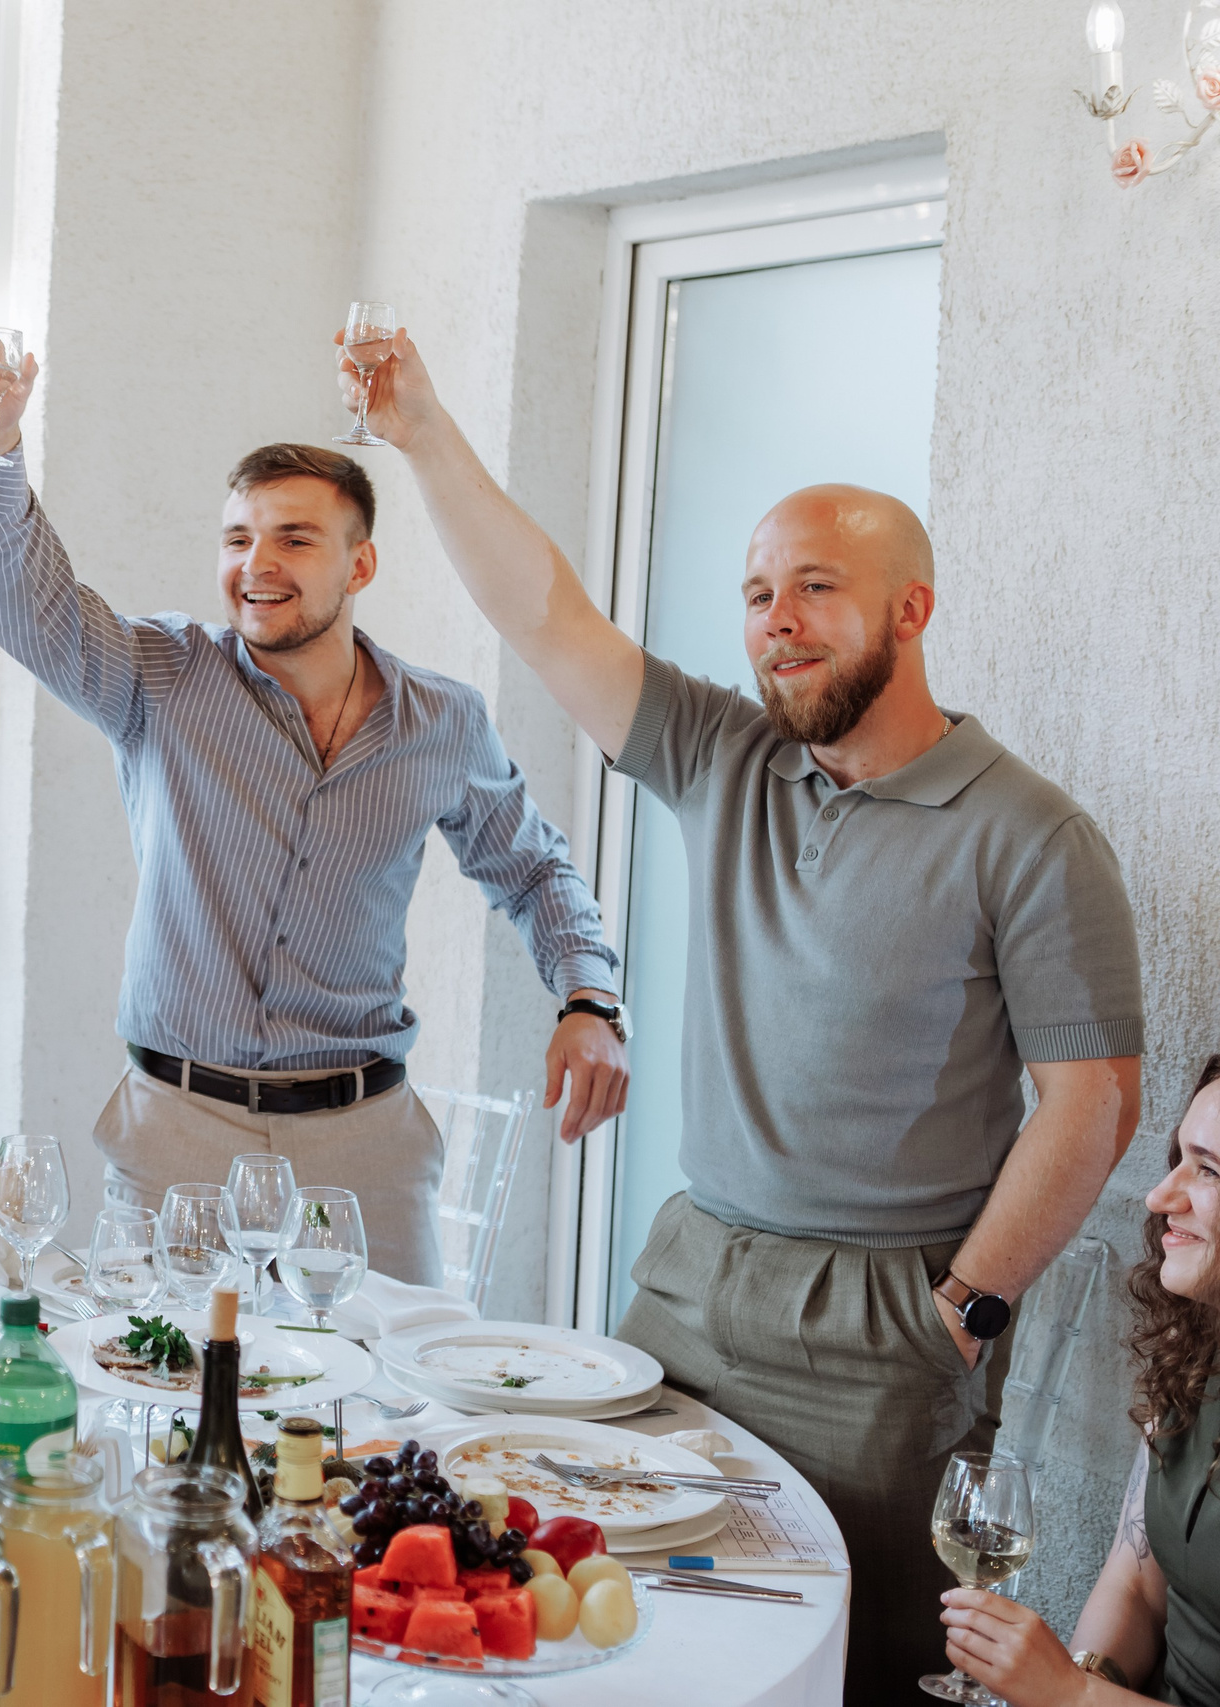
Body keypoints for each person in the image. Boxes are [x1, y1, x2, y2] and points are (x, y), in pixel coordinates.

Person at [342, 324, 1143, 1694]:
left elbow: (1096, 1099)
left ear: (911, 610)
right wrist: (418, 431)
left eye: (817, 587)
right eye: (759, 589)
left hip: (884, 1318)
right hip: (692, 1277)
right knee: (631, 1611)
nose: (777, 619)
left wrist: (963, 1304)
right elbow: (545, 614)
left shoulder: (1031, 831)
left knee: (852, 1654)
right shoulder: (725, 753)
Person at [0, 274, 628, 1286]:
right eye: (239, 538)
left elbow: (534, 871)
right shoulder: (162, 678)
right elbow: (33, 615)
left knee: (388, 1424)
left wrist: (589, 999)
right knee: (160, 1405)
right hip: (179, 1141)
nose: (258, 563)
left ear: (360, 566)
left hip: (362, 1154)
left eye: (295, 538)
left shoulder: (443, 722)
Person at [939, 1055, 1220, 1707]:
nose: (1159, 1196)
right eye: (1178, 1155)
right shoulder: (1198, 1348)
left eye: (1207, 1169)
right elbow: (1139, 1581)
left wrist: (1068, 1693)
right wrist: (1088, 1676)